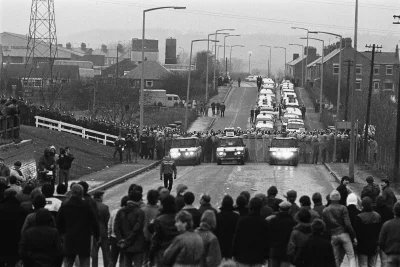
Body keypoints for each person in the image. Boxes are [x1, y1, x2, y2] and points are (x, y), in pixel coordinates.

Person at [56, 184, 100, 267]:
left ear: (71, 192)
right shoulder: (86, 205)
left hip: (69, 238)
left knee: (68, 262)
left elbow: (59, 222)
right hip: (84, 239)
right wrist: (97, 235)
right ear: (82, 193)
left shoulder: (65, 205)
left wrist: (61, 235)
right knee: (84, 262)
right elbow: (94, 221)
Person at [322, 190, 357, 267]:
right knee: (351, 256)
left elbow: (325, 226)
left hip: (333, 236)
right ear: (339, 198)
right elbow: (348, 224)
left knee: (336, 258)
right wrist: (353, 236)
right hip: (344, 234)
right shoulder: (343, 208)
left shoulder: (325, 210)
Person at [114, 190, 145, 267]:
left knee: (126, 264)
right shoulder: (140, 212)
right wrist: (127, 241)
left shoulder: (121, 211)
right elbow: (136, 229)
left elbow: (116, 227)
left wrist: (121, 240)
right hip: (137, 244)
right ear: (138, 200)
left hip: (124, 245)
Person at [148, 194, 179, 266]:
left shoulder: (159, 220)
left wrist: (150, 257)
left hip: (163, 253)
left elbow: (155, 240)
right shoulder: (179, 217)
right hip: (178, 252)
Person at [0, 189, 27, 267]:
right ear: (15, 196)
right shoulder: (21, 209)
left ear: (5, 196)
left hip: (1, 239)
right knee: (12, 262)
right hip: (15, 240)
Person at [267, 201, 297, 267]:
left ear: (279, 209)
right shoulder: (293, 222)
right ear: (289, 210)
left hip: (274, 249)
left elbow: (268, 235)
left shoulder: (273, 221)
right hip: (286, 251)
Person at [355, 197, 381, 267]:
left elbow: (357, 234)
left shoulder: (359, 217)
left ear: (362, 205)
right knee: (372, 265)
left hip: (362, 247)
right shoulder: (377, 216)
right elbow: (379, 231)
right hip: (374, 246)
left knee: (363, 265)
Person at [216, 195, 240, 260]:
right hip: (232, 243)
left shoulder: (218, 216)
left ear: (222, 204)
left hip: (220, 243)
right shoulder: (237, 217)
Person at [91, 191, 110, 267]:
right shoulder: (104, 207)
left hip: (93, 232)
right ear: (100, 197)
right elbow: (107, 221)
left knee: (94, 255)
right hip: (103, 232)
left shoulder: (90, 206)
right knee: (106, 254)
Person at [108, 196, 128, 267]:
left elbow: (109, 225)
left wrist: (109, 235)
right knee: (123, 259)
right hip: (124, 238)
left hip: (114, 238)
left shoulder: (114, 212)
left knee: (112, 259)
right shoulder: (127, 213)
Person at [379, 202, 400, 267]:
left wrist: (386, 250)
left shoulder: (387, 224)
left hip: (390, 254)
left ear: (394, 211)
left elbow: (381, 241)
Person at [142, 189, 160, 262]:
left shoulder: (142, 210)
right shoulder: (159, 210)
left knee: (144, 259)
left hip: (144, 237)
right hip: (155, 238)